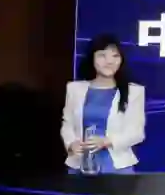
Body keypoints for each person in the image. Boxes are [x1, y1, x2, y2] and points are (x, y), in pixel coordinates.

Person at [62, 34, 145, 174]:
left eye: (115, 56)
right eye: (102, 55)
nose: (109, 61)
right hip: (79, 164)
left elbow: (136, 133)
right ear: (92, 58)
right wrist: (71, 144)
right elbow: (67, 123)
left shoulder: (134, 91)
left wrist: (106, 141)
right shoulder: (74, 89)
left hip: (117, 167)